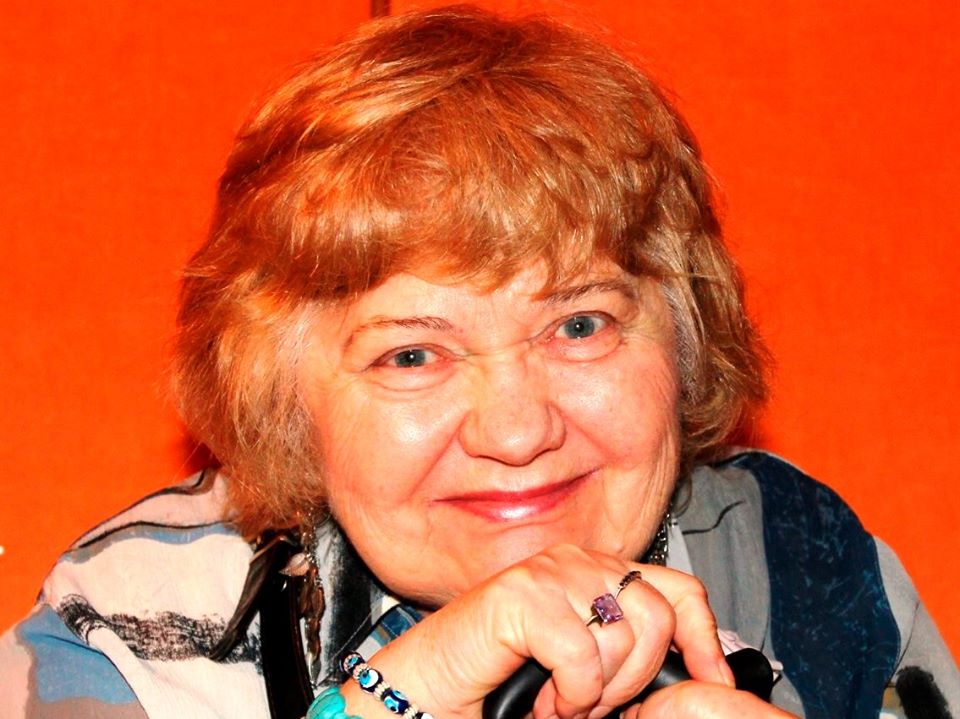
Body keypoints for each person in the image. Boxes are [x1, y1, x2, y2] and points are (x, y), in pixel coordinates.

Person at [1, 6, 957, 719]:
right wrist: (407, 690)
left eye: (579, 325)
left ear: (684, 331)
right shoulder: (133, 623)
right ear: (282, 397)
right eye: (412, 353)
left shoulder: (808, 564)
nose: (517, 429)